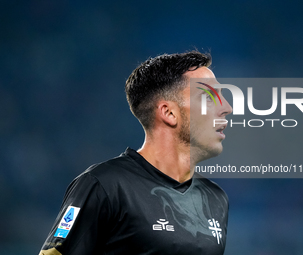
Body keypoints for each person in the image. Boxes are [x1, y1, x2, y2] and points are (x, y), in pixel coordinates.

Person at [39, 51, 232, 255]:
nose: (226, 107)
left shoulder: (216, 198)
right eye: (209, 97)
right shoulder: (105, 186)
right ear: (169, 113)